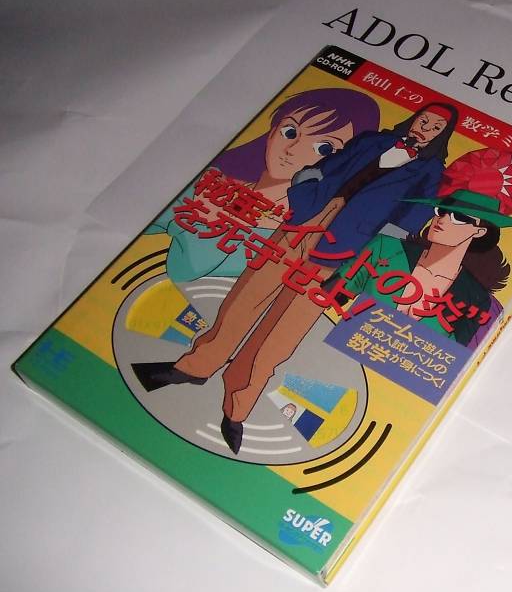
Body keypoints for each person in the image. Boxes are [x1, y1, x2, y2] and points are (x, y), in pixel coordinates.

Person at [133, 103, 460, 454]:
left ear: (443, 135)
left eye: (436, 127)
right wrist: (305, 190)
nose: (426, 128)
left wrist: (361, 261)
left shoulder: (431, 173)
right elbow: (326, 167)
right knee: (247, 295)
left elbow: (408, 221)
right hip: (307, 218)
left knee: (286, 329)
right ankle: (193, 367)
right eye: (424, 120)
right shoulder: (372, 141)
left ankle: (238, 406)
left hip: (348, 246)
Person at [144, 88, 380, 281]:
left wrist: (208, 220)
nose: (291, 149)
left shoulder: (306, 228)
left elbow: (185, 270)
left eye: (324, 148)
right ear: (272, 130)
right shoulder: (213, 176)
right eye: (290, 132)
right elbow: (144, 219)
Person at [337, 189, 512, 345]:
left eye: (459, 217)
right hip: (343, 345)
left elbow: (455, 360)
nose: (443, 219)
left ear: (479, 231)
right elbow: (331, 294)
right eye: (441, 211)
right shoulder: (385, 248)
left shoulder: (478, 300)